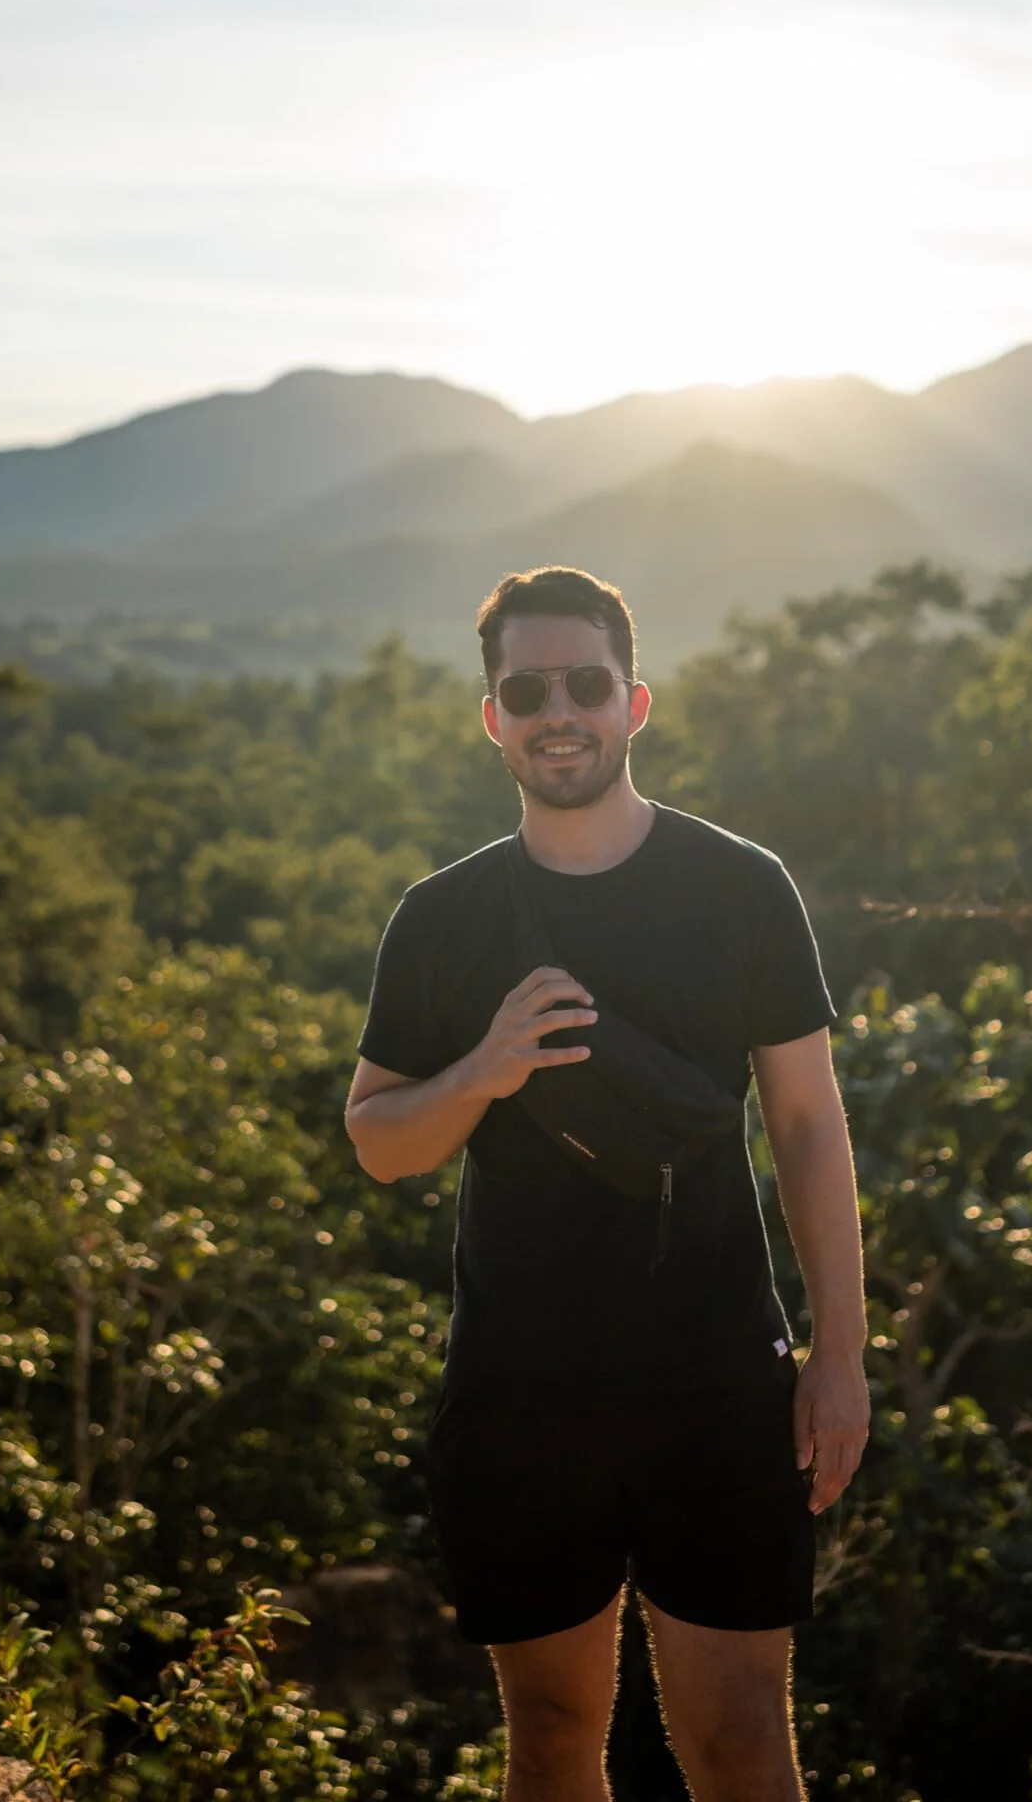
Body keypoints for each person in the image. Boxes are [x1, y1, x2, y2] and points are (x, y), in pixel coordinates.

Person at [345, 565, 870, 1802]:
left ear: (634, 702)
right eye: (526, 688)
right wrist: (484, 1066)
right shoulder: (440, 919)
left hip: (718, 1383)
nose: (557, 709)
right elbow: (377, 1138)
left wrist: (839, 1352)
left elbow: (805, 1122)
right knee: (549, 1734)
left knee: (742, 1740)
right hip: (520, 1394)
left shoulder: (739, 886)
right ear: (492, 718)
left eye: (584, 681)